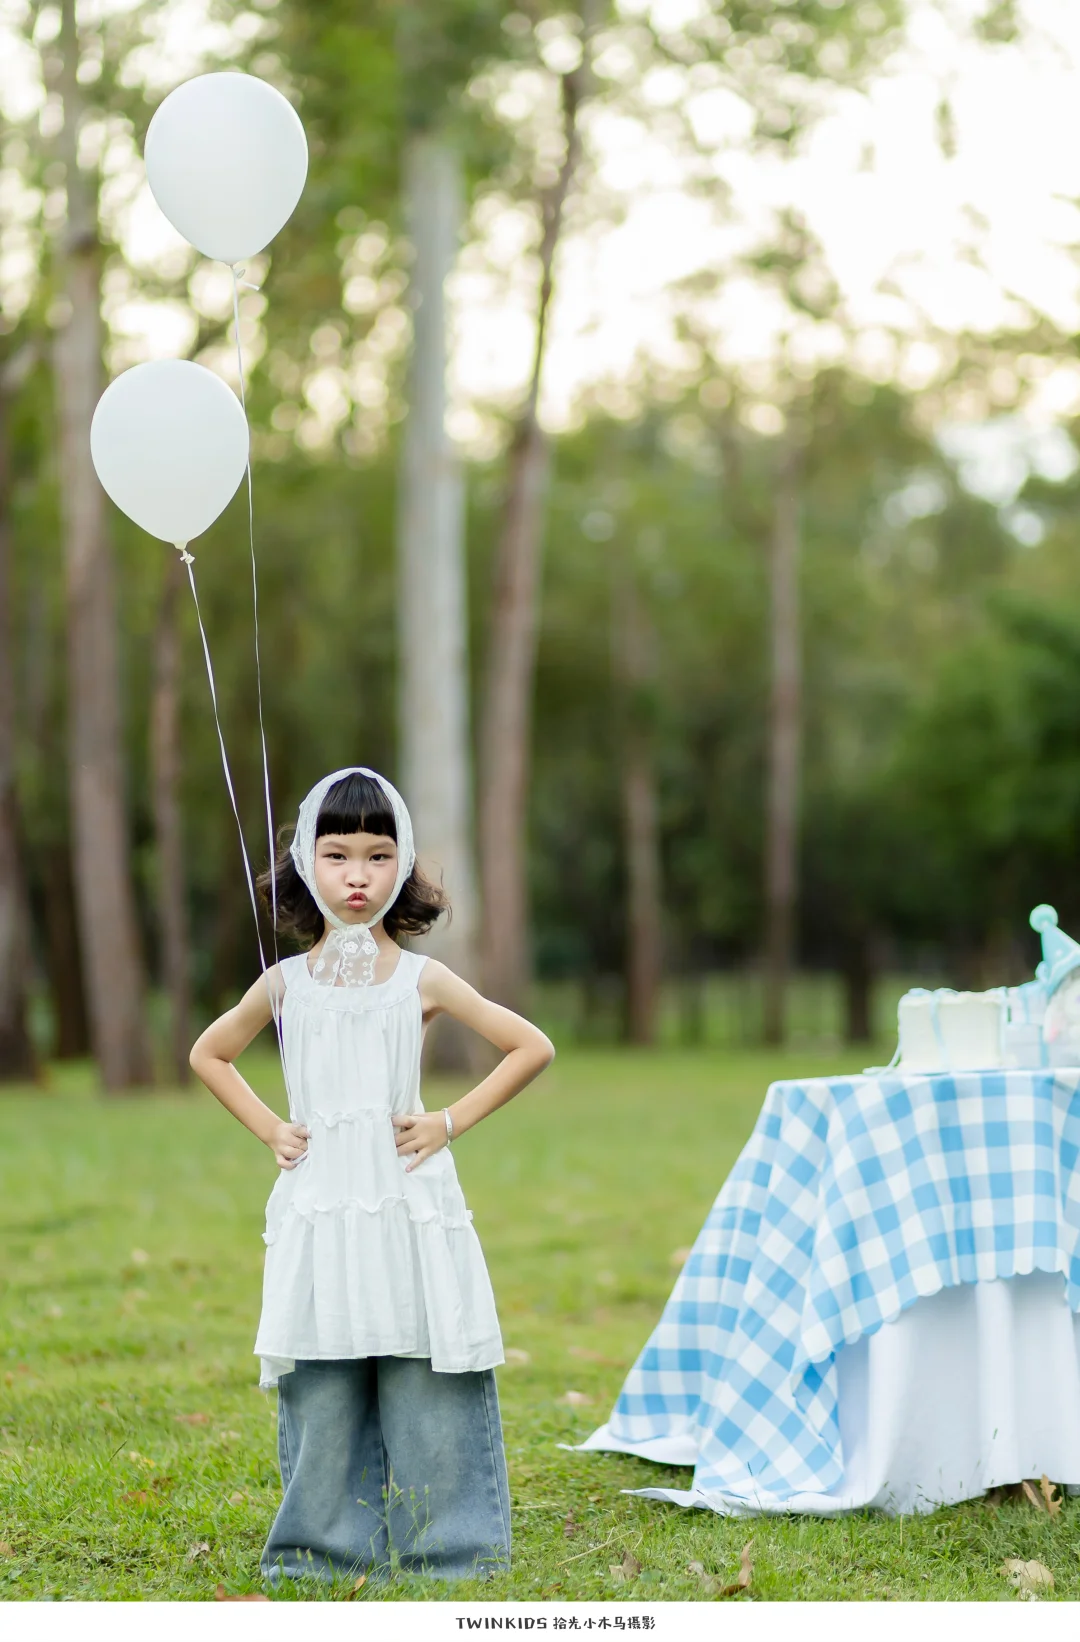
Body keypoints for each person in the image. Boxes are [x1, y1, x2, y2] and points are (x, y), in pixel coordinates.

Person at [188, 766, 554, 1586]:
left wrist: (447, 1120)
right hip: (321, 1204)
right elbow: (209, 1054)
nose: (358, 875)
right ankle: (320, 1553)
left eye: (380, 855)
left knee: (430, 1369)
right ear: (304, 864)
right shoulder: (285, 984)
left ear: (406, 865)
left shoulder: (420, 980)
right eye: (339, 854)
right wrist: (272, 1129)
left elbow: (530, 1045)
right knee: (322, 1378)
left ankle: (451, 1554)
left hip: (407, 1200)